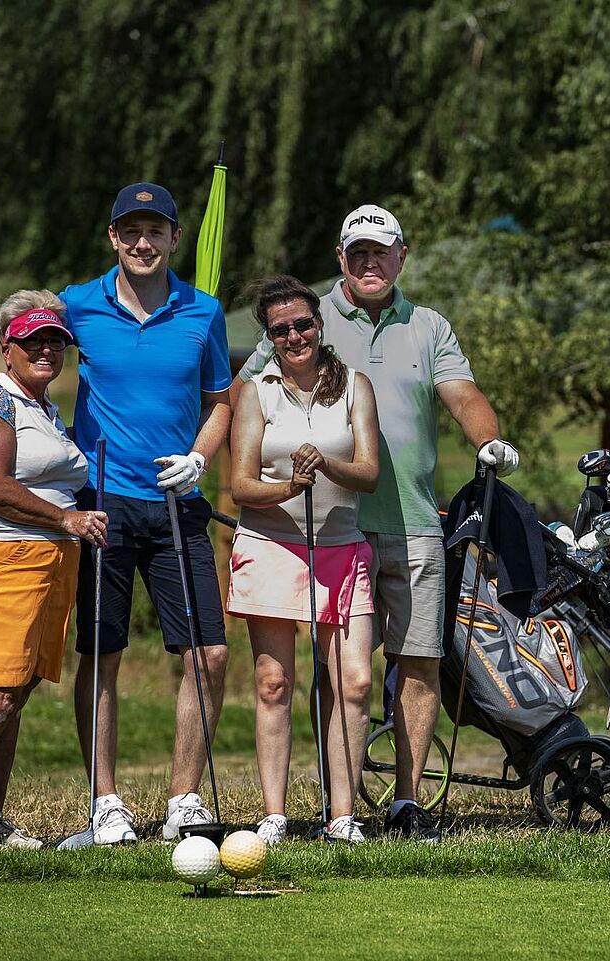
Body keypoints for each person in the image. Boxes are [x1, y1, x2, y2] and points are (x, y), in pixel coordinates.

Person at [236, 204, 519, 842]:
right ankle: (336, 803)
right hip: (333, 529)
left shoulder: (428, 325)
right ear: (341, 258)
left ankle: (406, 802)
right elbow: (244, 394)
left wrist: (488, 441)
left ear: (401, 256)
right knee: (339, 675)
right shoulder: (307, 317)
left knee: (418, 661)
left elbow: (463, 394)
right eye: (357, 252)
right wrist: (202, 454)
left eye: (380, 251)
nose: (369, 262)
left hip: (414, 520)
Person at [60, 182, 233, 844]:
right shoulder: (77, 304)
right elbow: (26, 348)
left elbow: (219, 402)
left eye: (154, 230)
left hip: (176, 502)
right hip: (101, 502)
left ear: (174, 238)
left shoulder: (204, 311)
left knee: (209, 653)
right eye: (130, 230)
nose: (142, 242)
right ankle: (105, 802)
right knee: (102, 653)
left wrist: (200, 458)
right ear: (113, 237)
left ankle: (184, 798)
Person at [0, 291, 108, 849]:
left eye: (56, 341)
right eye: (33, 341)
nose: (46, 350)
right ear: (7, 349)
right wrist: (66, 518)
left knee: (17, 691)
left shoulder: (44, 409)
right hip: (1, 562)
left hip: (49, 562)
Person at [227, 275, 381, 845]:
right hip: (270, 546)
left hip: (342, 549)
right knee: (274, 682)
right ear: (269, 337)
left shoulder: (354, 386)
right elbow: (242, 485)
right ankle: (275, 814)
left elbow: (368, 472)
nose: (294, 336)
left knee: (355, 682)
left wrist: (327, 465)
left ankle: (341, 815)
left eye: (302, 324)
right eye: (280, 330)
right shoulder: (256, 392)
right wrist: (290, 487)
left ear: (319, 323)